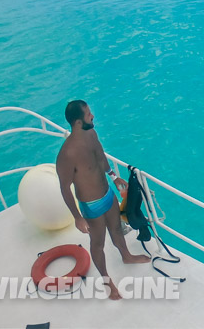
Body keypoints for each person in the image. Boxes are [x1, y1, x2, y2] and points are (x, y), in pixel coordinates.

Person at [56, 100, 150, 300]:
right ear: (78, 122)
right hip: (92, 205)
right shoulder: (67, 154)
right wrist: (77, 217)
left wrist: (114, 177)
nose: (93, 116)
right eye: (89, 114)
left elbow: (100, 158)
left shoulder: (91, 134)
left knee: (116, 230)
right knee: (98, 243)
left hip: (108, 194)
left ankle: (126, 256)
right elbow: (65, 187)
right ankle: (107, 282)